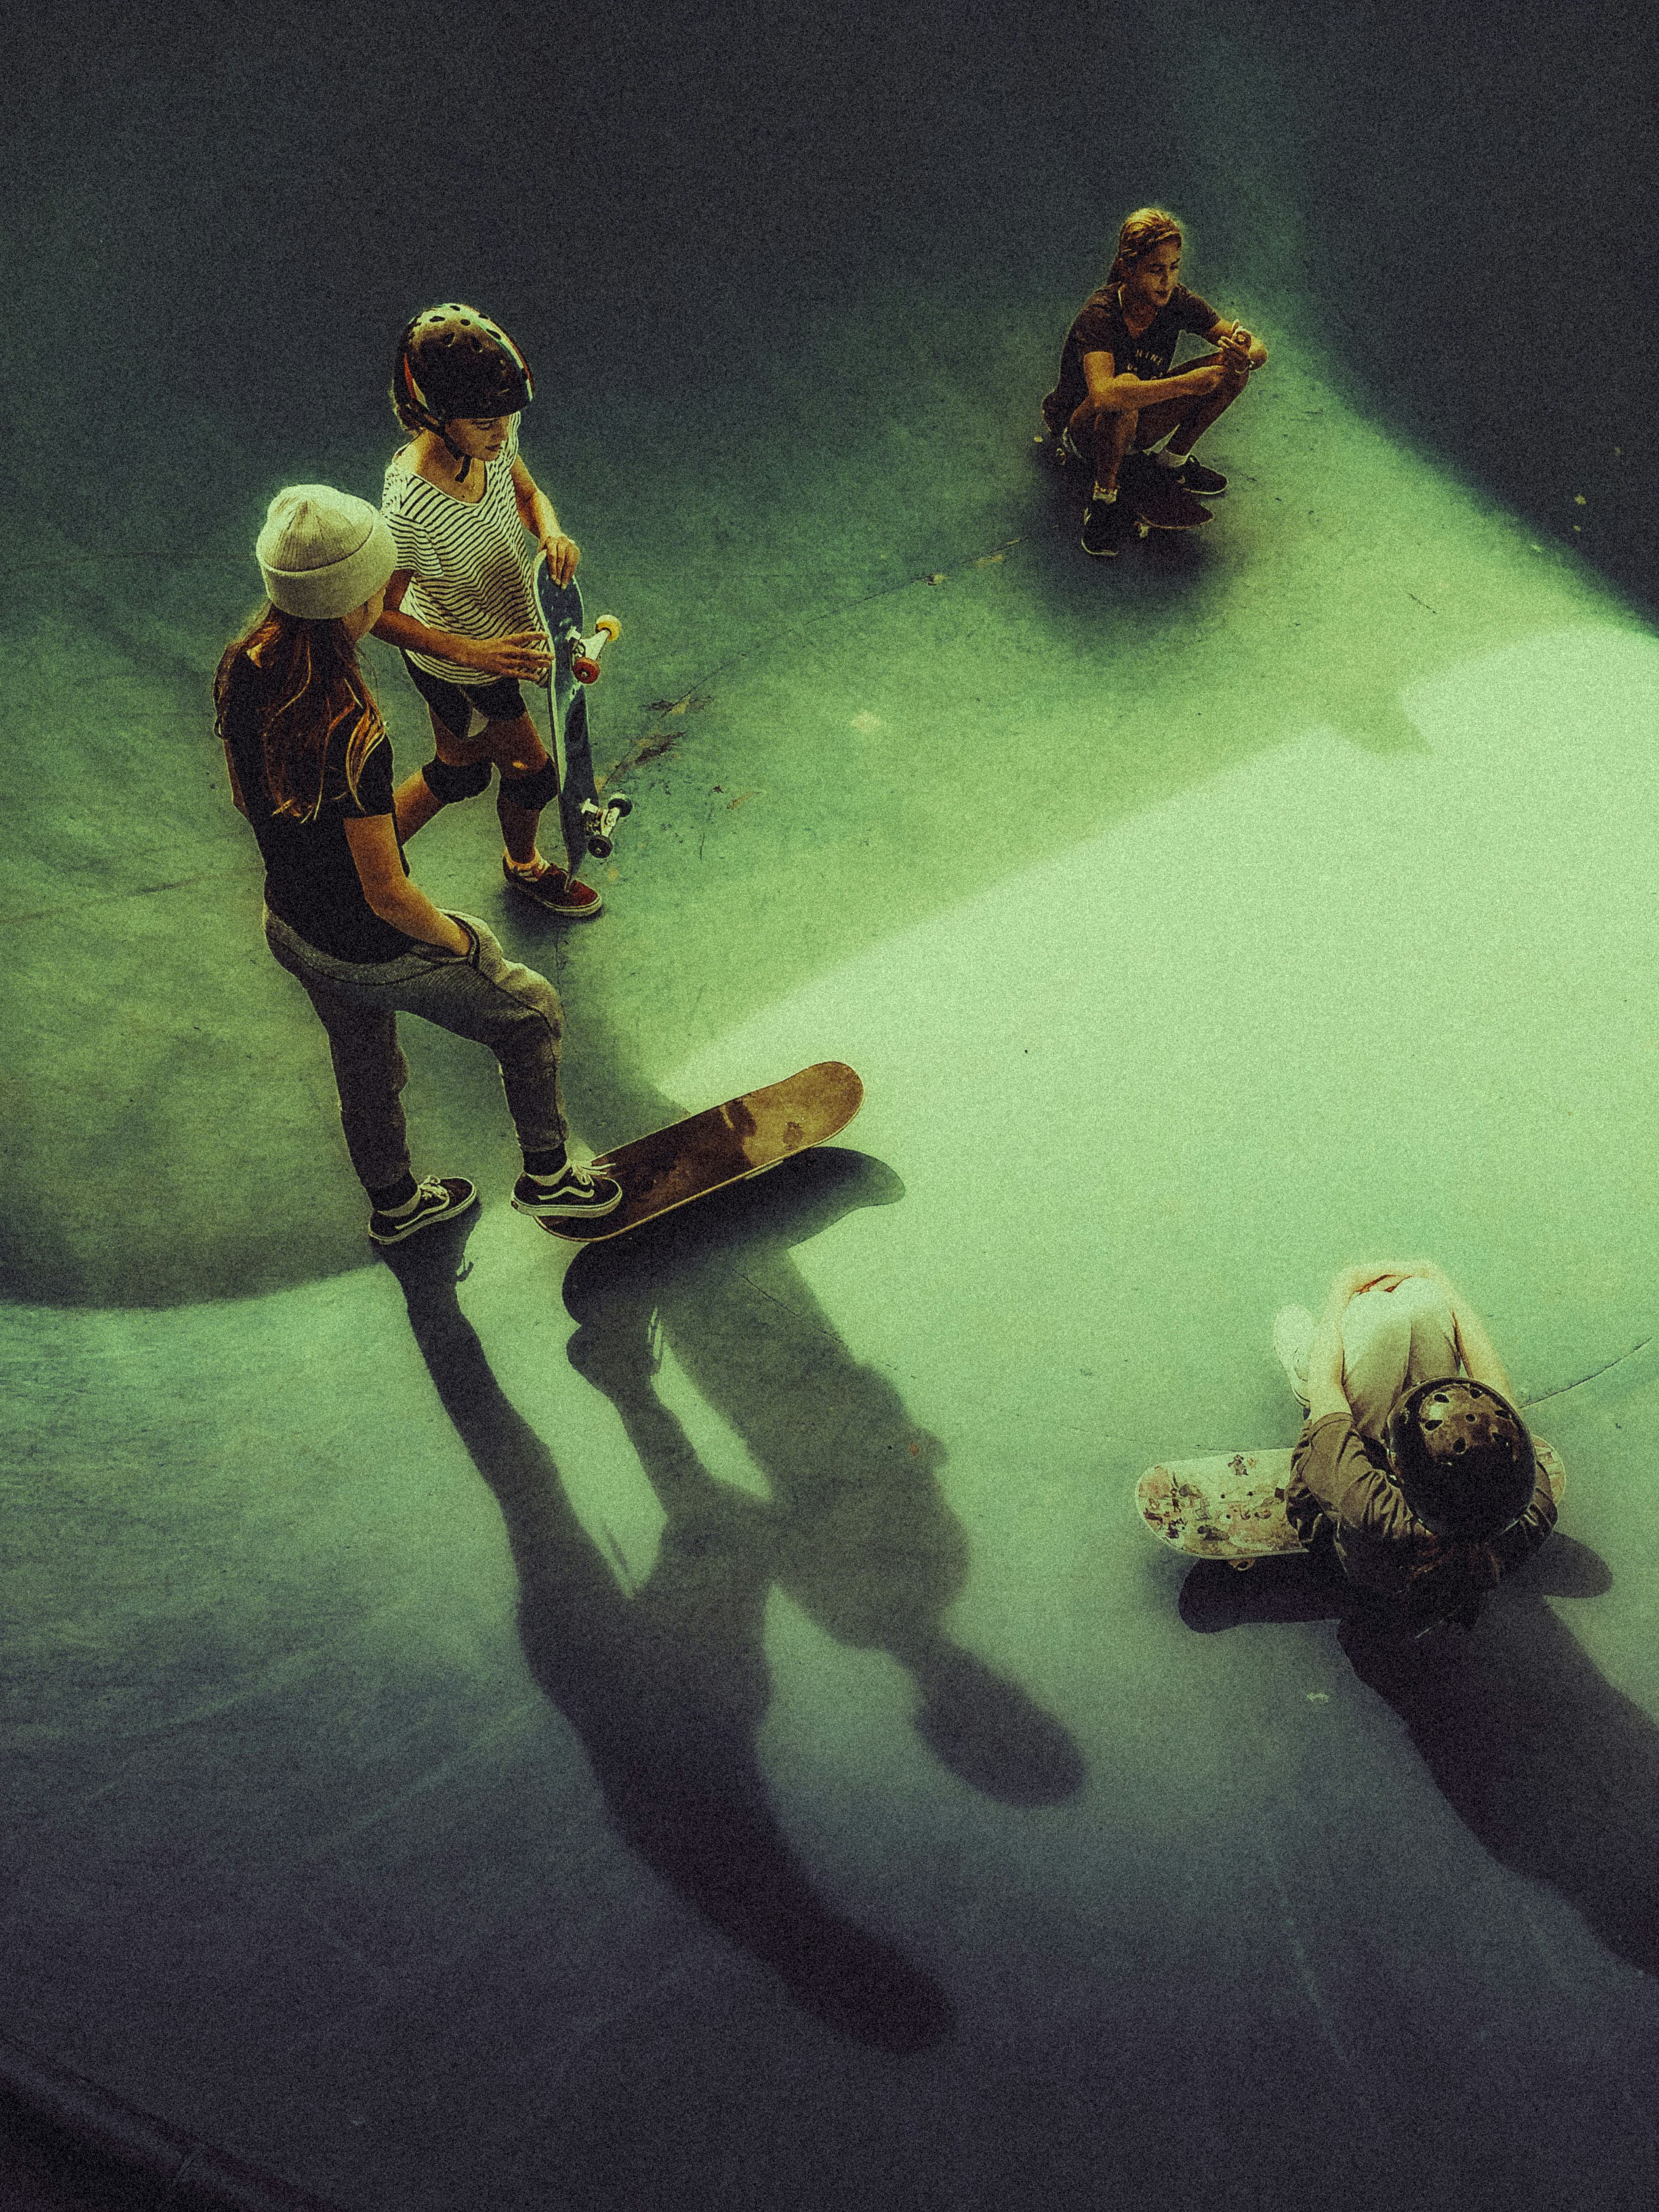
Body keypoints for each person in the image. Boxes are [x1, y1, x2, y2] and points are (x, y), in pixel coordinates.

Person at [214, 484, 622, 1245]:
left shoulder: (248, 667)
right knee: (531, 1014)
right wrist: (461, 943)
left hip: (292, 925)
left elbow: (284, 812)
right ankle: (550, 1181)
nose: (385, 595)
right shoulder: (351, 728)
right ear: (348, 603)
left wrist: (442, 778)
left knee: (365, 1070)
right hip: (371, 943)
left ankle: (397, 1205)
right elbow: (388, 892)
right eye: (378, 584)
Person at [375, 303, 601, 917]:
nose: (501, 434)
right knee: (533, 774)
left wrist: (550, 532)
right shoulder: (407, 511)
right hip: (465, 663)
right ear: (432, 415)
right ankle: (524, 867)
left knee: (461, 773)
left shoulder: (493, 441)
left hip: (498, 645)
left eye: (507, 419)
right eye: (484, 423)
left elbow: (528, 494)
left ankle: (351, 869)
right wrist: (476, 654)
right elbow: (379, 616)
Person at [1272, 1264, 1563, 1630]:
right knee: (1425, 1301)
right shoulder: (1533, 1508)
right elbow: (1492, 1382)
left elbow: (1327, 1389)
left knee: (1373, 1317)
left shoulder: (1368, 1505)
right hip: (1415, 1497)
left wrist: (1341, 1291)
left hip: (1343, 1489)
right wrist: (1437, 1278)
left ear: (1395, 1461)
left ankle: (1308, 1360)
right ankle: (1405, 1330)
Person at [1040, 207, 1269, 558]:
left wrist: (1245, 354)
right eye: (1155, 270)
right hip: (1084, 434)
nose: (1167, 281)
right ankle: (1104, 499)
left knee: (1231, 369)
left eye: (1174, 267)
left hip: (1137, 423)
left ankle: (1173, 464)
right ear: (1129, 269)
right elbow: (1103, 396)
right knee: (1124, 388)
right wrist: (1186, 384)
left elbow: (1256, 348)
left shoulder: (1177, 301)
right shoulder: (1100, 314)